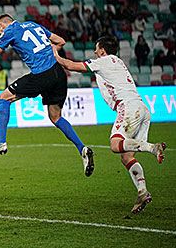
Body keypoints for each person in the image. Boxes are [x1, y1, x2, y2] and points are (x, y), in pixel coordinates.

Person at [54, 36, 166, 213]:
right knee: (126, 157)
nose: (95, 52)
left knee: (115, 145)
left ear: (103, 51)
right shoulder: (116, 61)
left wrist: (55, 54)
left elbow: (71, 66)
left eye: (97, 49)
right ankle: (142, 192)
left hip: (128, 107)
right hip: (141, 108)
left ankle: (152, 148)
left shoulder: (105, 61)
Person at [0, 13, 94, 177]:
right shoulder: (33, 25)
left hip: (42, 74)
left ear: (2, 27)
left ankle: (1, 142)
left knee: (4, 97)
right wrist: (51, 53)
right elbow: (61, 42)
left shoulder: (10, 30)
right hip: (59, 73)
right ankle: (82, 149)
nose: (1, 36)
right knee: (55, 116)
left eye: (0, 33)